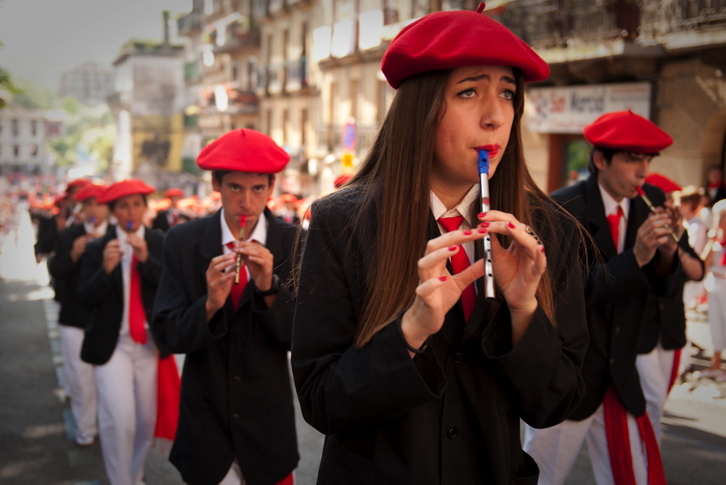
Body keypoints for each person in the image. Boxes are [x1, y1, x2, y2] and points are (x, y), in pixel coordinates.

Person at [290, 6, 588, 484]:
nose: (495, 117)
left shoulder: (548, 233)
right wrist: (409, 332)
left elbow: (555, 402)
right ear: (422, 108)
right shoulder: (340, 221)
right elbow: (321, 400)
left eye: (508, 94)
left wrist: (524, 310)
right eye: (469, 91)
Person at [524, 110, 683, 484]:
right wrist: (637, 258)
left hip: (622, 374)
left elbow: (665, 288)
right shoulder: (562, 208)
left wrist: (667, 254)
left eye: (647, 159)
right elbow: (567, 296)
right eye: (632, 158)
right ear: (599, 160)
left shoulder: (652, 199)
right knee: (541, 476)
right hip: (570, 379)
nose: (643, 171)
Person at [152, 129, 300, 485]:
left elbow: (301, 336)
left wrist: (268, 288)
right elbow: (166, 334)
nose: (246, 203)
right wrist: (210, 304)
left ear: (272, 186)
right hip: (206, 423)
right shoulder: (183, 241)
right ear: (216, 184)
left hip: (267, 427)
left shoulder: (294, 242)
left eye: (258, 189)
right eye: (235, 187)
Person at [77, 179, 179, 485]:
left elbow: (172, 289)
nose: (130, 211)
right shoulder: (98, 246)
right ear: (112, 212)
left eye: (136, 204)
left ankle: (134, 475)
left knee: (145, 422)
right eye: (123, 206)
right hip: (113, 345)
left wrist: (147, 260)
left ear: (146, 208)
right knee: (119, 420)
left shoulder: (160, 241)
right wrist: (105, 270)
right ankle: (120, 479)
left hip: (148, 343)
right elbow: (83, 296)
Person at [638, 172, 704, 444]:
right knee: (652, 397)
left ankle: (649, 451)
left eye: (669, 202)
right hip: (641, 330)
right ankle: (649, 453)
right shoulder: (637, 231)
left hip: (670, 329)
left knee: (659, 398)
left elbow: (697, 271)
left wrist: (674, 245)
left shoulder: (681, 233)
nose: (667, 207)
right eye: (662, 202)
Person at [48, 183, 110, 447]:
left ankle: (106, 426)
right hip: (74, 317)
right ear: (82, 209)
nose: (93, 209)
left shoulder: (116, 237)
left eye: (98, 203)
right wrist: (73, 254)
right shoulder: (69, 235)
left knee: (106, 381)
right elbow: (56, 271)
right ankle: (86, 429)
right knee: (80, 378)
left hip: (106, 319)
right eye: (88, 204)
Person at [699, 199, 726, 381]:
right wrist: (711, 240)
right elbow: (703, 264)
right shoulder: (715, 240)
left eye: (721, 217)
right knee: (715, 325)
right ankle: (715, 364)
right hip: (714, 285)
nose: (717, 220)